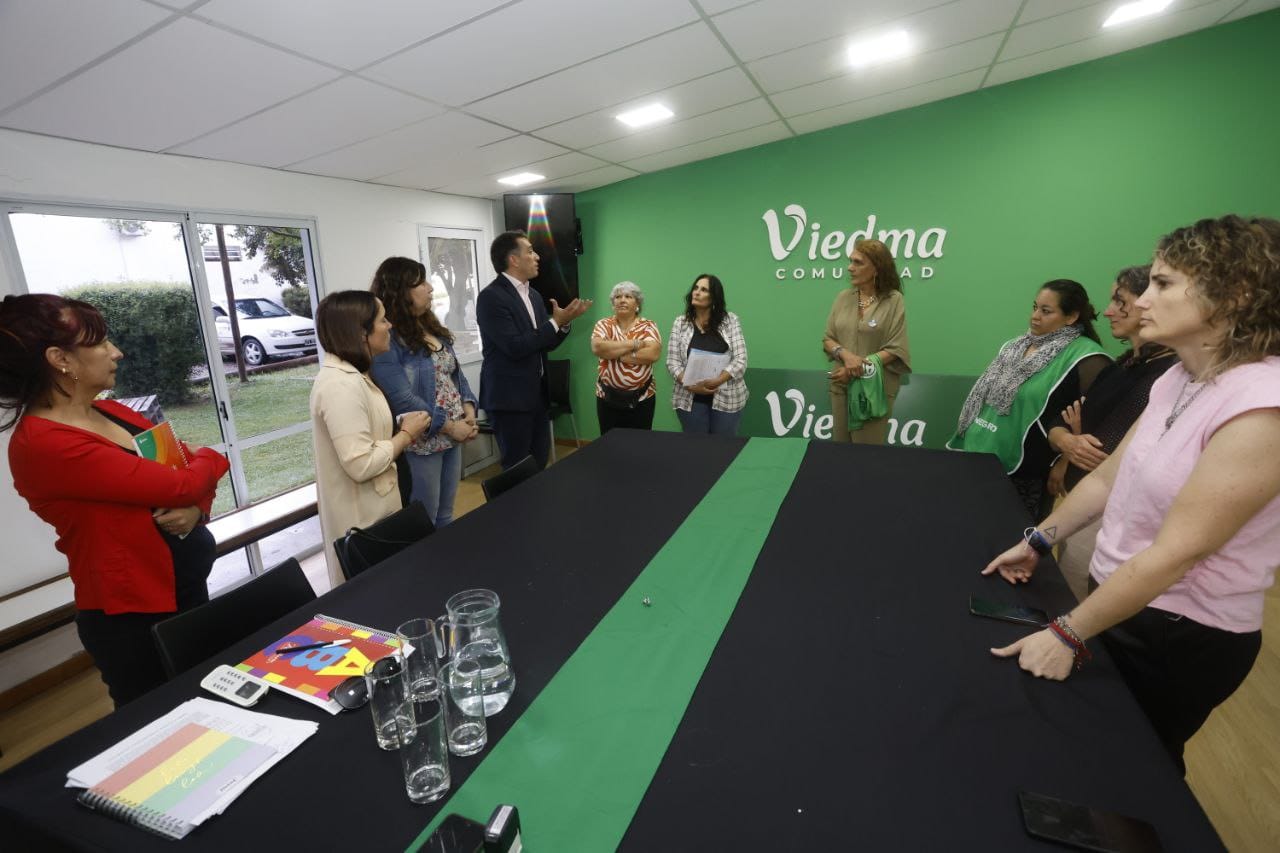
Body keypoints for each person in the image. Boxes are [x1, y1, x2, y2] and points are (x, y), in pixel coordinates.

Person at [983, 215, 1280, 775]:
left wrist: (1067, 631)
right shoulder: (1177, 378)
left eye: (1164, 284)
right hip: (1120, 601)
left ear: (1235, 295)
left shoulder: (1262, 405)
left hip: (1181, 634)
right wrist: (1038, 540)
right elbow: (1104, 479)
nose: (1143, 300)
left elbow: (1178, 553)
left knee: (1137, 770)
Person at [1, 294, 228, 706]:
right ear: (60, 359)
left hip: (186, 590)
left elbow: (184, 475)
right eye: (101, 343)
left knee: (214, 703)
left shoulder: (114, 413)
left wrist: (197, 508)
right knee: (165, 730)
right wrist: (212, 458)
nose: (116, 352)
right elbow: (183, 480)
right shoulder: (45, 444)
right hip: (135, 618)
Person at [1044, 265, 1178, 599]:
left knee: (1080, 611)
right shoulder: (1122, 365)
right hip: (1081, 507)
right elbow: (1061, 424)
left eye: (1121, 301)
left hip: (1111, 517)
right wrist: (1066, 441)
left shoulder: (1170, 376)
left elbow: (1105, 453)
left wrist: (1075, 439)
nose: (1107, 311)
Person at [947, 279, 1110, 519]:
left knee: (1010, 543)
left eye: (1046, 311)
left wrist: (1065, 461)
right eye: (1035, 307)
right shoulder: (1014, 346)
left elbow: (1092, 419)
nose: (1035, 316)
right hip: (979, 456)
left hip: (1028, 473)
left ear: (1072, 316)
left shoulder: (1087, 358)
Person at [311, 291, 429, 588]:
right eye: (382, 320)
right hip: (361, 520)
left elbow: (366, 431)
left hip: (378, 510)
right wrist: (406, 435)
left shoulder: (355, 375)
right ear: (360, 331)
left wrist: (399, 425)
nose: (389, 326)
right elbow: (361, 463)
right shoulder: (340, 385)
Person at [369, 257, 478, 529]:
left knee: (446, 514)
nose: (430, 288)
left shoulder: (430, 326)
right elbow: (402, 398)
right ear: (400, 290)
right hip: (423, 440)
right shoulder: (388, 339)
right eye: (421, 282)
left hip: (453, 432)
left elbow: (454, 374)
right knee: (424, 518)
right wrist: (451, 426)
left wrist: (469, 409)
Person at [476, 231, 591, 470]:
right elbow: (514, 346)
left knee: (539, 464)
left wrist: (564, 323)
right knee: (517, 469)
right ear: (513, 259)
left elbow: (544, 343)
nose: (537, 256)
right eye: (530, 251)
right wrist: (555, 323)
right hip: (510, 398)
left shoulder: (535, 295)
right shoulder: (491, 297)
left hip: (537, 395)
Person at [821, 239, 911, 444]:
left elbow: (895, 348)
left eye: (857, 262)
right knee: (840, 453)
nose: (849, 268)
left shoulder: (893, 300)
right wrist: (846, 356)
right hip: (841, 387)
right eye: (850, 261)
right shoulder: (843, 297)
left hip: (874, 392)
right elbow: (828, 339)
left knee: (866, 457)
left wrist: (854, 368)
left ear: (877, 268)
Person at [666, 274, 749, 435]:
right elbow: (672, 362)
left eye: (703, 290)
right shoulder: (680, 323)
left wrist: (717, 381)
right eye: (695, 288)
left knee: (722, 449)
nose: (696, 292)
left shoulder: (730, 321)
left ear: (714, 298)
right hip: (689, 397)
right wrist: (691, 384)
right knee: (696, 451)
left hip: (727, 398)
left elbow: (740, 360)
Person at [591, 281, 662, 434]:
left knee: (639, 445)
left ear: (637, 304)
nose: (622, 300)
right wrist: (635, 343)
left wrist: (616, 353)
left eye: (628, 296)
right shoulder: (603, 324)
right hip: (607, 397)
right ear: (613, 303)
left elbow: (653, 353)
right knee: (610, 444)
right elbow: (598, 348)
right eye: (618, 297)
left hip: (642, 398)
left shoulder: (648, 326)